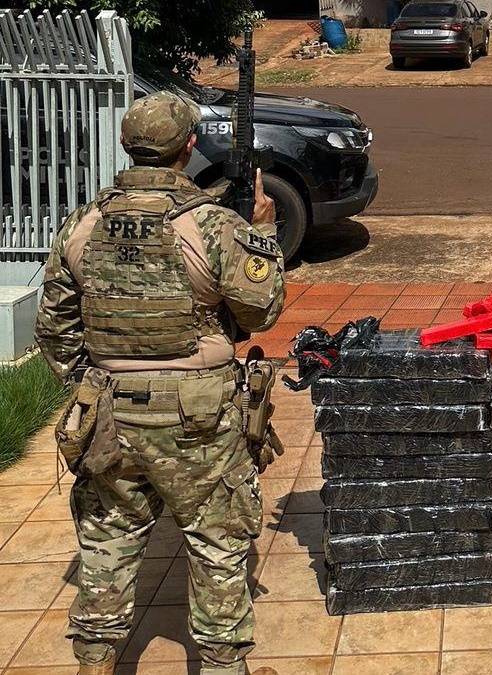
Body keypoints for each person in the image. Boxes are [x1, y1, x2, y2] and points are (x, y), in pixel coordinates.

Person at [35, 91, 286, 675]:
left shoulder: (85, 223)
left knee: (108, 541)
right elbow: (261, 311)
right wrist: (264, 237)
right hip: (198, 415)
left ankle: (94, 662)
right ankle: (224, 667)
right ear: (188, 149)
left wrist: (96, 382)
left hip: (110, 412)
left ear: (127, 147)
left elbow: (54, 328)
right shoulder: (211, 225)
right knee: (217, 540)